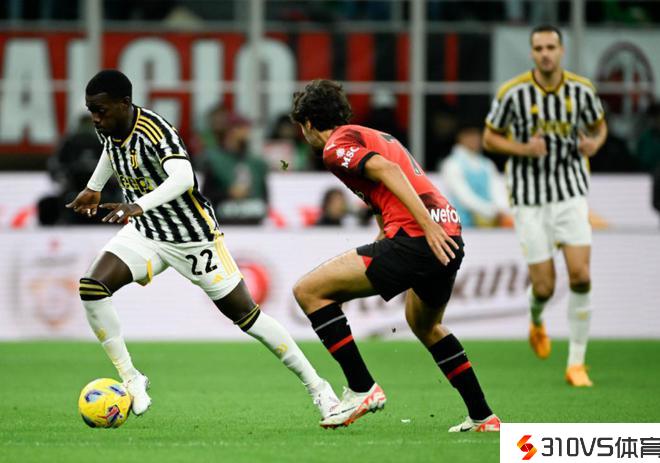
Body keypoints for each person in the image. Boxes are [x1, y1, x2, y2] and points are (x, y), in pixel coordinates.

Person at [65, 70, 338, 420]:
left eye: (100, 110)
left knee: (247, 316)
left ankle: (319, 388)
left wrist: (138, 205)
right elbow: (111, 150)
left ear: (124, 104)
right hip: (148, 231)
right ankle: (132, 378)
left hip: (193, 237)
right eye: (91, 110)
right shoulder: (109, 126)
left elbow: (183, 177)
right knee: (92, 287)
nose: (95, 118)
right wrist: (94, 187)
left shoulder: (156, 131)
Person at [290, 79, 500, 432]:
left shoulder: (336, 146)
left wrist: (425, 225)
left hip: (420, 237)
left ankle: (361, 388)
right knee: (425, 325)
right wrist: (389, 239)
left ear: (309, 123)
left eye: (301, 128)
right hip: (448, 236)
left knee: (308, 291)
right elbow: (379, 195)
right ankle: (483, 416)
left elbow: (388, 171)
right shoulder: (373, 135)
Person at [483, 25, 608, 387]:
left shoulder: (581, 91)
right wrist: (524, 149)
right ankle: (536, 320)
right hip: (529, 200)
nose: (545, 54)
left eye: (551, 47)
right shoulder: (513, 93)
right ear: (532, 53)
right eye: (539, 48)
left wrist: (594, 145)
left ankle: (576, 363)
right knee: (544, 288)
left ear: (561, 50)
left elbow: (599, 128)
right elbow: (490, 138)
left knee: (581, 276)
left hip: (570, 194)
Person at [200, 113, 270, 225]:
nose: (247, 133)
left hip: (253, 220)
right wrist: (228, 193)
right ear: (230, 131)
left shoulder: (257, 163)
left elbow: (265, 196)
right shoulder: (214, 160)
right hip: (224, 220)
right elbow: (206, 194)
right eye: (242, 128)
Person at [439, 125, 511, 228]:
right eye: (470, 135)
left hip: (490, 224)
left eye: (477, 135)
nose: (474, 139)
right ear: (460, 137)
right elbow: (464, 197)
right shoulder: (451, 164)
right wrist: (490, 211)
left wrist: (501, 211)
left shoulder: (487, 164)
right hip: (462, 226)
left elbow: (497, 191)